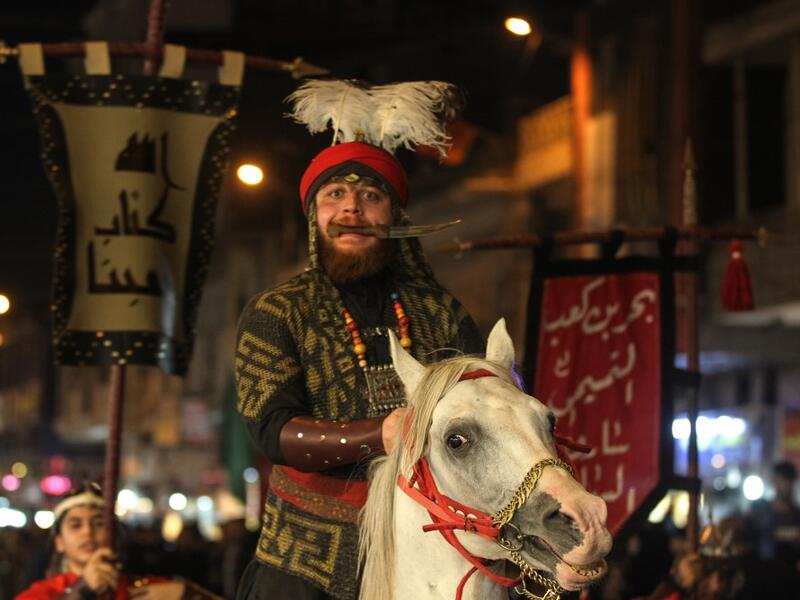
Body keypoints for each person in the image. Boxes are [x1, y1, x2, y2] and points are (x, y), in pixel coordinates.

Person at [234, 81, 483, 600]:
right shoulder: (276, 312)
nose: (352, 210)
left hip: (429, 555)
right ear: (314, 216)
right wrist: (382, 435)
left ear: (394, 216)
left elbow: (483, 412)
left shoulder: (442, 312)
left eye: (371, 196)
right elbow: (271, 431)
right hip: (302, 569)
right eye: (335, 195)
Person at [16, 482, 214, 599]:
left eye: (99, 523)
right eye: (76, 525)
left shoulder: (145, 589)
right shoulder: (43, 593)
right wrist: (83, 591)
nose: (88, 532)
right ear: (59, 542)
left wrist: (187, 594)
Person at [751, 459, 800, 571]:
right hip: (765, 570)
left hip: (791, 573)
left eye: (788, 480)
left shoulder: (797, 514)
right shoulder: (761, 510)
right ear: (774, 481)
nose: (786, 485)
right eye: (782, 479)